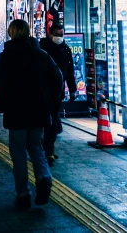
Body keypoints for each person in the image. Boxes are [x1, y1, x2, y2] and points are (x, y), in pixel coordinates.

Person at [0, 19, 62, 209]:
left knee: (17, 153)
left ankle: (23, 193)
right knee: (36, 147)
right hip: (38, 110)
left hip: (16, 112)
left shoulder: (6, 57)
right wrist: (49, 102)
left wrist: (2, 106)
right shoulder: (41, 54)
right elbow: (57, 78)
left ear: (11, 33)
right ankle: (44, 177)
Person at [39, 23, 76, 164]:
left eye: (61, 34)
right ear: (50, 34)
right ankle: (44, 150)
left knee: (53, 121)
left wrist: (72, 90)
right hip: (42, 91)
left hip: (57, 93)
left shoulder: (65, 49)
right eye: (57, 35)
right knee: (44, 122)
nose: (60, 37)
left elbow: (70, 71)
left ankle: (49, 150)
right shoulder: (41, 48)